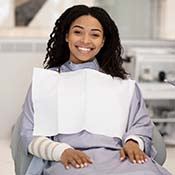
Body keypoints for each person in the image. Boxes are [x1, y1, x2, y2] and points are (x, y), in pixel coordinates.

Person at [11, 5, 172, 175]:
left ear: (103, 41)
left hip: (122, 159)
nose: (85, 41)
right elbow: (29, 133)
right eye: (78, 32)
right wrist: (61, 152)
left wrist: (133, 142)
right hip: (70, 161)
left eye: (95, 35)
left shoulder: (123, 85)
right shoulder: (46, 82)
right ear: (67, 36)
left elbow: (140, 124)